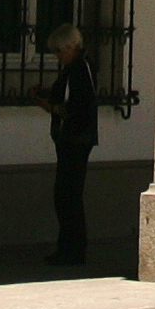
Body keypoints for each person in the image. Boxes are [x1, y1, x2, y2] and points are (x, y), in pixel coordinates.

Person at [44, 24, 103, 266]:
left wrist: (51, 107)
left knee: (67, 195)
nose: (58, 57)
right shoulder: (74, 69)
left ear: (72, 47)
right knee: (66, 195)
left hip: (76, 139)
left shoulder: (80, 69)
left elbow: (77, 107)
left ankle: (72, 250)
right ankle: (69, 247)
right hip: (71, 138)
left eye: (60, 51)